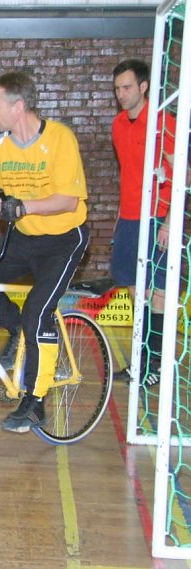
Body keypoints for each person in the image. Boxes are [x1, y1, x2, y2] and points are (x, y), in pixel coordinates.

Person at [0, 72, 89, 434]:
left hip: (63, 238)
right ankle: (17, 330)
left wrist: (23, 206)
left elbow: (68, 199)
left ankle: (35, 402)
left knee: (37, 310)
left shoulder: (60, 139)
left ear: (18, 106)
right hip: (23, 236)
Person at [110, 58, 174, 387]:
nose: (121, 93)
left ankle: (157, 363)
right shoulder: (119, 124)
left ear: (143, 86)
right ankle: (140, 360)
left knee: (158, 289)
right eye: (118, 88)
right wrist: (121, 217)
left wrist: (168, 222)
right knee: (136, 289)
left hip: (158, 217)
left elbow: (178, 176)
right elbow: (128, 174)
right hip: (130, 218)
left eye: (127, 87)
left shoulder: (164, 122)